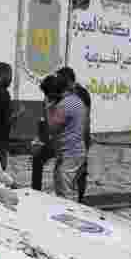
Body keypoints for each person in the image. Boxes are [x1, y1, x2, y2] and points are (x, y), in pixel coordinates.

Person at [44, 73, 87, 199]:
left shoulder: (64, 105)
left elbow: (52, 128)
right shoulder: (77, 100)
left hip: (68, 154)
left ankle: (70, 215)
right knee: (69, 190)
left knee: (64, 194)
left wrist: (47, 109)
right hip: (76, 151)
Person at [55, 67, 92, 201]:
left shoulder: (80, 93)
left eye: (59, 79)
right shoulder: (66, 94)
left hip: (78, 139)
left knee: (79, 172)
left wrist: (85, 139)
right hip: (69, 141)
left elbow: (85, 119)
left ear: (67, 80)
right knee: (67, 174)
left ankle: (80, 200)